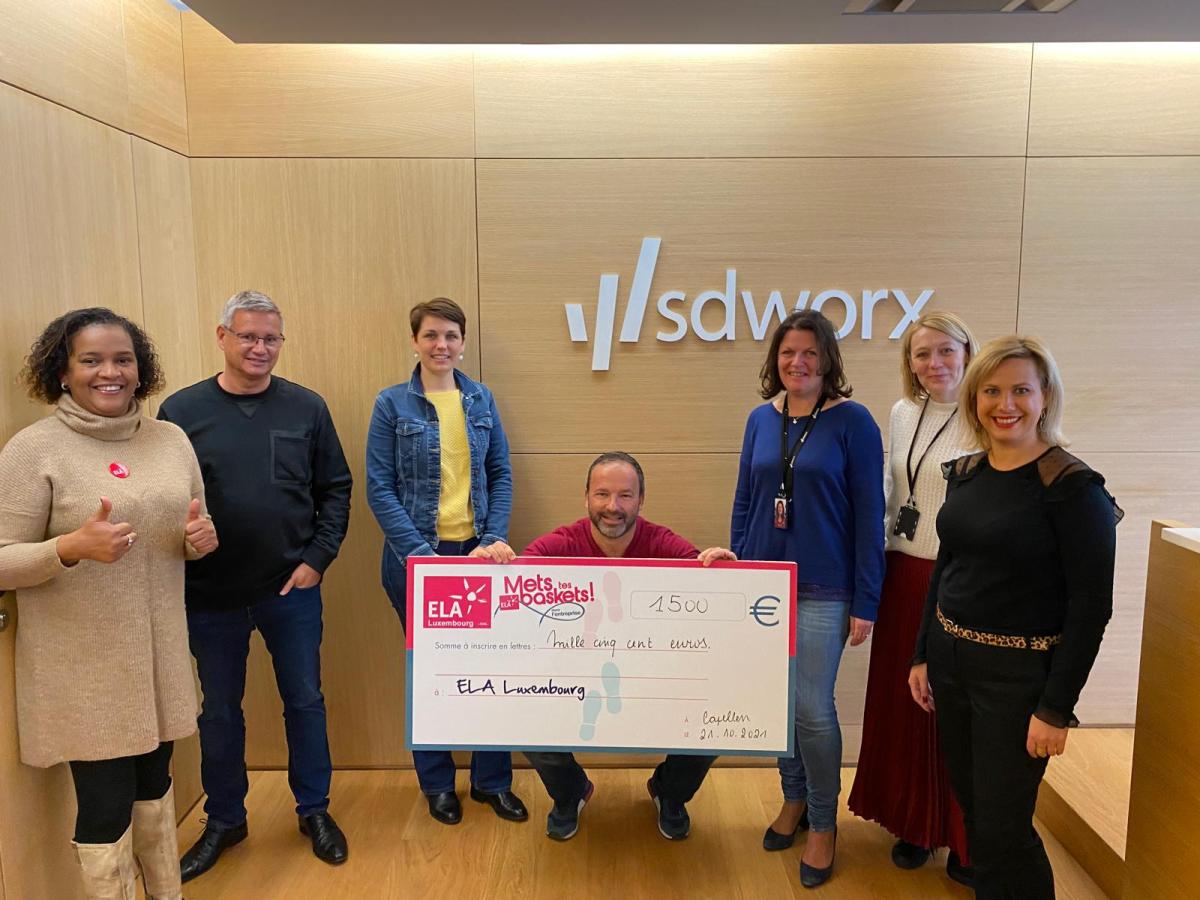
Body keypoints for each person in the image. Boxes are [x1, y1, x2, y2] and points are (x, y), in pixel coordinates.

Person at [0, 308, 217, 899]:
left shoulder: (170, 440)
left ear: (140, 369)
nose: (110, 372)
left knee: (156, 785)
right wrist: (68, 548)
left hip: (160, 656)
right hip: (84, 673)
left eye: (123, 359)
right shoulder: (33, 449)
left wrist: (200, 540)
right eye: (91, 360)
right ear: (62, 371)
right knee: (106, 805)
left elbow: (192, 526)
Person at [909, 335, 1121, 900]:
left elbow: (1091, 608)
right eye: (991, 391)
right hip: (952, 664)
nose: (1006, 404)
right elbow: (947, 566)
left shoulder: (1073, 489)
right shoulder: (966, 472)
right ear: (974, 398)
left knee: (1005, 827)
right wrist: (923, 653)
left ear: (1045, 396)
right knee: (977, 814)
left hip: (1020, 680)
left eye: (1021, 390)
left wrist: (1055, 708)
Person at [159, 291, 353, 881]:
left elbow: (336, 489)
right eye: (247, 336)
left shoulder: (307, 408)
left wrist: (318, 558)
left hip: (290, 590)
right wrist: (181, 535)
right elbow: (162, 499)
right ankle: (225, 819)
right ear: (222, 336)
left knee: (305, 701)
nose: (259, 348)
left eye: (270, 338)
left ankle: (314, 810)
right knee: (219, 711)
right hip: (208, 595)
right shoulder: (180, 412)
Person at [731, 309, 885, 889]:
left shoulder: (853, 421)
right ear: (775, 359)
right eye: (787, 353)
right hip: (763, 587)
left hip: (825, 586)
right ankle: (792, 799)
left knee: (813, 709)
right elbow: (745, 502)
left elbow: (870, 515)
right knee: (779, 704)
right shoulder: (759, 419)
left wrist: (867, 598)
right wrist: (739, 575)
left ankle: (823, 822)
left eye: (810, 354)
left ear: (827, 361)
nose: (797, 363)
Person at [366, 297, 527, 827]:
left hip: (479, 557)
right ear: (415, 341)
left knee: (490, 670)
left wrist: (494, 538)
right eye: (431, 335)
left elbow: (500, 474)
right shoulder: (392, 404)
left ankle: (491, 782)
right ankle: (437, 784)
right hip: (415, 559)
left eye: (451, 335)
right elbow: (379, 488)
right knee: (429, 673)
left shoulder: (481, 399)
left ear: (462, 342)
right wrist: (422, 558)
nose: (441, 345)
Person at [521, 452, 737, 841]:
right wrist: (489, 563)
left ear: (641, 499)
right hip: (576, 677)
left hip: (651, 677)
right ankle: (570, 793)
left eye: (625, 495)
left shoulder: (662, 542)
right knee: (522, 719)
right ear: (586, 497)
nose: (613, 506)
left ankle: (669, 792)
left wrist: (721, 568)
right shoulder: (561, 543)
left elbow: (703, 575)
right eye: (602, 494)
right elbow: (516, 577)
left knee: (714, 724)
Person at [848, 312, 977, 886]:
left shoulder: (986, 414)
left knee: (957, 708)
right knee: (905, 704)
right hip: (901, 573)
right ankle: (914, 825)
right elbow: (890, 492)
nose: (934, 363)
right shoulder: (902, 413)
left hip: (961, 578)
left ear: (968, 352)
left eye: (946, 350)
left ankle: (966, 835)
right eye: (922, 354)